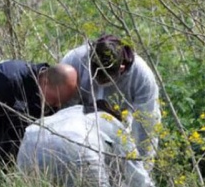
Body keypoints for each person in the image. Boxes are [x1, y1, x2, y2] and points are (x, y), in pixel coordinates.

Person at [16, 104, 178, 187]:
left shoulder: (71, 111)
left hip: (30, 143)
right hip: (77, 145)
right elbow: (139, 180)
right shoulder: (113, 123)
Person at [61, 34, 161, 169]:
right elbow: (61, 106)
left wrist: (142, 168)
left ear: (121, 68)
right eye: (96, 76)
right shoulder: (75, 59)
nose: (100, 82)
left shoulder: (142, 77)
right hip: (77, 130)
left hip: (118, 133)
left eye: (106, 79)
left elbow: (146, 127)